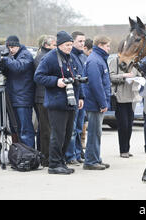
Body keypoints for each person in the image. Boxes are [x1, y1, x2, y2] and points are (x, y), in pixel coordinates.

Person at [34, 31, 84, 175]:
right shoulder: (50, 58)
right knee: (58, 134)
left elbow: (77, 79)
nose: (70, 47)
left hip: (71, 101)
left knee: (68, 134)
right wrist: (56, 81)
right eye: (67, 45)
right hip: (56, 102)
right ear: (60, 45)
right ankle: (54, 164)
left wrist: (81, 97)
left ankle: (61, 161)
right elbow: (38, 76)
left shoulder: (71, 58)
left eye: (70, 44)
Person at [0, 36, 36, 148]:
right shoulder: (12, 56)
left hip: (23, 99)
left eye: (12, 47)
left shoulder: (25, 54)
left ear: (18, 45)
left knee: (25, 129)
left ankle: (29, 154)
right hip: (13, 97)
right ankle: (20, 154)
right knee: (16, 129)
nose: (11, 50)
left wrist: (5, 59)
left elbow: (19, 67)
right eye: (8, 47)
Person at [83, 36, 112, 170]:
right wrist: (102, 103)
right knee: (94, 132)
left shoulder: (99, 59)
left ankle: (95, 158)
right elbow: (96, 84)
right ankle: (90, 161)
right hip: (95, 103)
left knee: (97, 132)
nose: (109, 48)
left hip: (97, 102)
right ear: (100, 45)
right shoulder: (95, 60)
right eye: (107, 46)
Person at [109, 51, 143, 158]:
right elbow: (111, 76)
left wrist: (138, 79)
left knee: (129, 125)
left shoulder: (135, 63)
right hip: (120, 97)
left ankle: (127, 149)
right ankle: (123, 150)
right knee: (123, 125)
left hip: (132, 97)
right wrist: (124, 76)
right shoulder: (115, 61)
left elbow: (140, 75)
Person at [34, 35, 56, 167]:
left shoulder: (47, 56)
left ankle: (47, 155)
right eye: (54, 45)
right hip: (42, 97)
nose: (56, 47)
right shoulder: (41, 57)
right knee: (45, 129)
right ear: (47, 45)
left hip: (46, 96)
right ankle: (45, 157)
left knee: (47, 128)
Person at [65, 31, 87, 165]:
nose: (83, 44)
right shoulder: (70, 57)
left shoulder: (83, 57)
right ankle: (70, 155)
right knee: (72, 129)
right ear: (72, 42)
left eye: (84, 41)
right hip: (73, 97)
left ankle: (78, 153)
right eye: (80, 41)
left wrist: (82, 97)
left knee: (79, 128)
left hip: (81, 97)